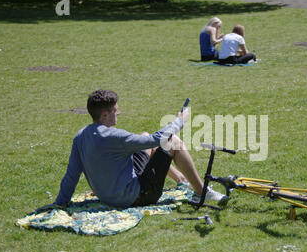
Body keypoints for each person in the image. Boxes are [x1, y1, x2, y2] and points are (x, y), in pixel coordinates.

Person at [52, 89, 226, 209]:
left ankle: (181, 180)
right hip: (139, 196)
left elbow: (71, 176)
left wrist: (60, 203)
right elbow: (158, 139)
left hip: (107, 197)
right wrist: (180, 121)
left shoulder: (80, 136)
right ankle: (202, 193)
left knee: (143, 135)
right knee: (174, 142)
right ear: (104, 115)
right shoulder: (114, 137)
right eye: (115, 110)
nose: (118, 113)